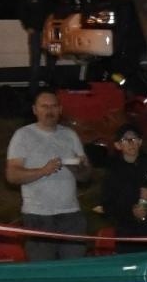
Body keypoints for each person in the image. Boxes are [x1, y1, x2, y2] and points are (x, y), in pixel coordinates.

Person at [5, 89, 91, 261]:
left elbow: (86, 175)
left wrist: (78, 169)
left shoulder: (70, 135)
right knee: (43, 272)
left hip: (71, 215)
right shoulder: (23, 135)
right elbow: (12, 175)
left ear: (60, 110)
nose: (49, 111)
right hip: (38, 215)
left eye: (53, 106)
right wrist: (43, 171)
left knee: (74, 271)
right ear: (35, 110)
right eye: (44, 106)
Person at [98, 123, 147, 251]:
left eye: (134, 139)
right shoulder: (112, 172)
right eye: (125, 140)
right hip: (128, 237)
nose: (131, 143)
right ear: (118, 145)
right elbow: (107, 206)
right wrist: (130, 212)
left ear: (140, 142)